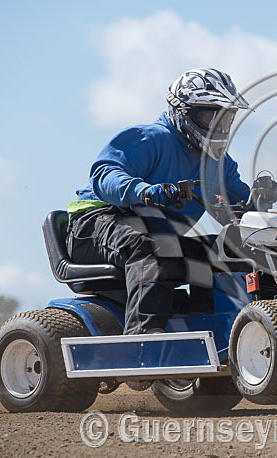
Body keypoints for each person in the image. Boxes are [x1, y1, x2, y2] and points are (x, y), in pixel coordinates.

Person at [66, 68, 251, 335]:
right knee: (150, 248)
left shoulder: (219, 164)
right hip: (94, 225)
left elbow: (240, 208)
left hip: (156, 236)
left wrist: (260, 203)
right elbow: (104, 173)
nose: (218, 126)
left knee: (226, 247)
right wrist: (143, 190)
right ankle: (142, 342)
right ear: (184, 112)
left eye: (225, 118)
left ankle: (210, 329)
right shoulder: (150, 138)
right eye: (210, 115)